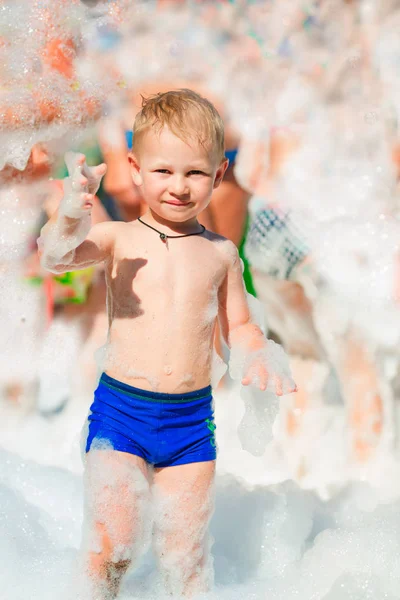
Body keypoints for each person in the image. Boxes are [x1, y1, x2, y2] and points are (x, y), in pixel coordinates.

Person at [38, 89, 295, 599]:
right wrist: (72, 210)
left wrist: (259, 349)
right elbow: (57, 256)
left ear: (219, 175)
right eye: (163, 171)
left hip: (190, 426)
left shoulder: (222, 255)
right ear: (133, 168)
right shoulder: (118, 239)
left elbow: (238, 325)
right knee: (113, 546)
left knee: (186, 556)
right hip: (121, 416)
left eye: (195, 173)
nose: (178, 186)